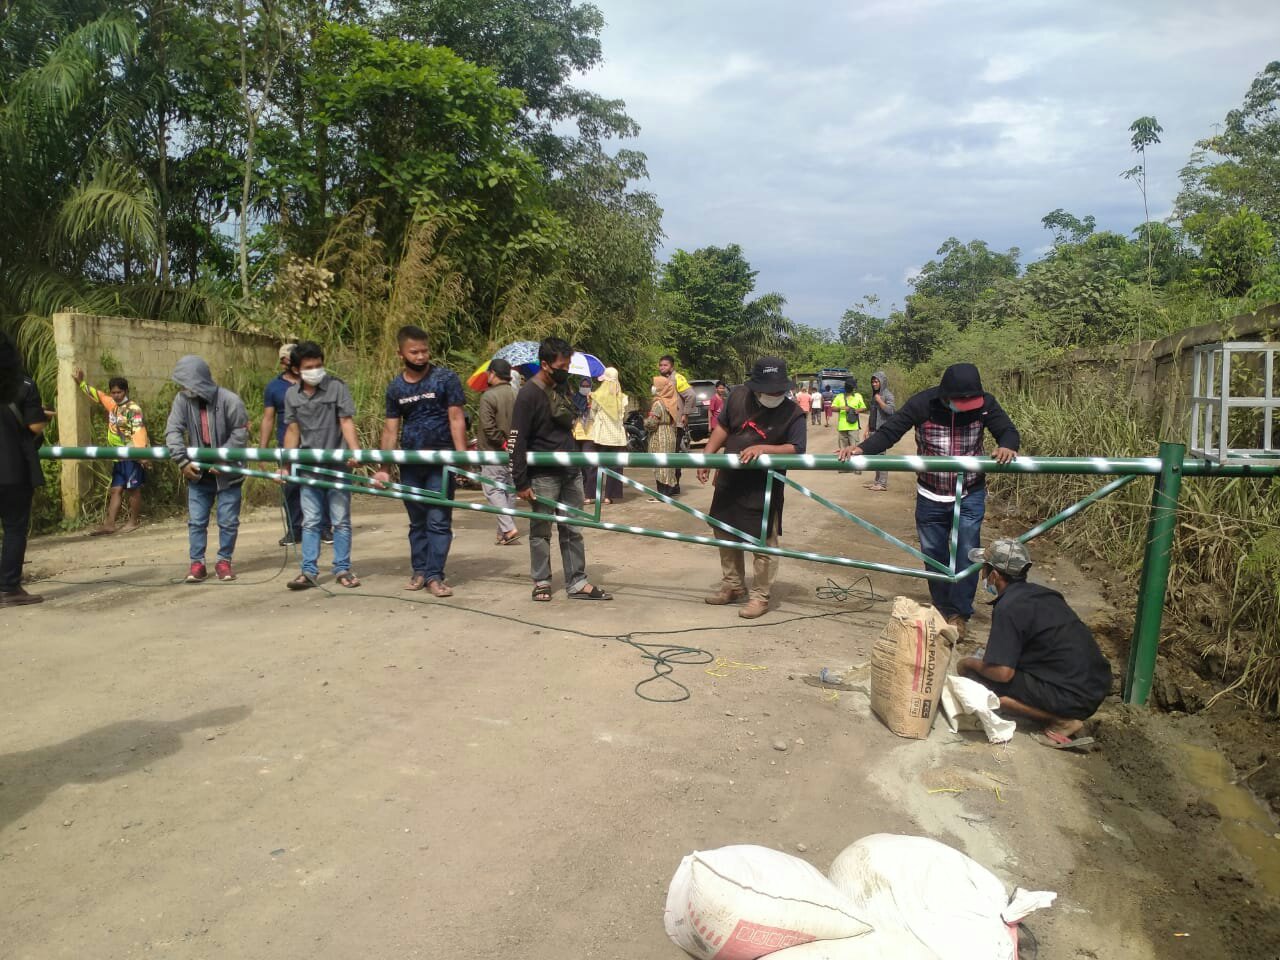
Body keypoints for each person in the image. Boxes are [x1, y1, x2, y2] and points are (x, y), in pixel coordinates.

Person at [838, 362, 1019, 638]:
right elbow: (890, 432)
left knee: (967, 553)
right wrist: (861, 449)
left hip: (969, 493)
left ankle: (959, 614)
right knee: (933, 555)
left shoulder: (985, 404)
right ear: (945, 396)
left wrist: (1007, 445)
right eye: (961, 402)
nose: (966, 407)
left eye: (971, 402)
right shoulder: (923, 403)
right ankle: (943, 609)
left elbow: (1007, 429)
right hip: (931, 493)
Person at [959, 539, 1111, 747]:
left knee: (978, 679)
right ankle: (1053, 710)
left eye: (984, 570)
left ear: (994, 575)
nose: (983, 576)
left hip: (1071, 697)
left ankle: (1061, 721)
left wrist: (968, 663)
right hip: (1095, 686)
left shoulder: (1008, 607)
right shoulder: (1044, 594)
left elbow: (1003, 673)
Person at [697, 357, 807, 619]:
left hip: (764, 485)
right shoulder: (737, 397)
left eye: (778, 390)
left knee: (763, 540)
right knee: (724, 531)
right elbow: (723, 427)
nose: (774, 395)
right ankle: (733, 585)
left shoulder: (793, 413)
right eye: (769, 390)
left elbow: (797, 448)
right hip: (730, 479)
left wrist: (764, 448)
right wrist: (707, 457)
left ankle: (760, 596)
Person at [509, 337, 612, 602]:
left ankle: (577, 581)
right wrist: (520, 481)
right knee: (540, 530)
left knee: (573, 528)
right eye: (562, 366)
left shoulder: (564, 388)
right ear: (545, 365)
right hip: (543, 475)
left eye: (568, 365)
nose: (566, 370)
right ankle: (541, 581)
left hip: (570, 470)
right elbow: (516, 440)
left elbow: (569, 420)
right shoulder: (528, 395)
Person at [371, 325, 467, 597]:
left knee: (438, 520)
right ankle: (420, 571)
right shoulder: (396, 387)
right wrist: (384, 468)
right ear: (400, 353)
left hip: (441, 462)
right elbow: (390, 430)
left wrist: (461, 458)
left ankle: (435, 576)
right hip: (410, 464)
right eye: (414, 352)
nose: (421, 356)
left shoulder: (445, 378)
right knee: (417, 522)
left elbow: (456, 418)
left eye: (425, 350)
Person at [278, 341, 361, 590]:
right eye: (309, 367)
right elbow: (293, 431)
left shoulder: (336, 387)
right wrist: (285, 465)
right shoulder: (291, 395)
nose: (315, 371)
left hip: (337, 466)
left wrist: (355, 451)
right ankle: (309, 571)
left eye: (318, 365)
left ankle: (342, 569)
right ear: (296, 369)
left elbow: (346, 421)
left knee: (340, 520)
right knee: (311, 521)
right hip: (308, 467)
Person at [165, 355, 249, 583]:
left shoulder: (230, 400)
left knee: (228, 521)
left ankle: (224, 561)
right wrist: (182, 461)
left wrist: (223, 459)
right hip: (198, 474)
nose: (184, 388)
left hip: (228, 474)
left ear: (199, 380)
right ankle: (197, 563)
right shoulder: (182, 400)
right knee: (196, 521)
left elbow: (240, 433)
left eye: (187, 383)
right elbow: (173, 430)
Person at [261, 343, 331, 547]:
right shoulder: (274, 387)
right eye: (287, 359)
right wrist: (263, 450)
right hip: (288, 444)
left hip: (315, 444)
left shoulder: (316, 383)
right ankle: (295, 529)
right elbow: (268, 418)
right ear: (284, 362)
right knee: (290, 488)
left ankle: (324, 528)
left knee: (321, 484)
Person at [0, 333, 47, 606]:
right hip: (13, 470)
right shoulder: (24, 384)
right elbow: (35, 426)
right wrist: (41, 415)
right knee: (14, 528)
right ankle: (8, 588)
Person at [72, 367, 148, 534]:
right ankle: (110, 524)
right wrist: (81, 383)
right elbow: (98, 395)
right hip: (117, 457)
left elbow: (139, 431)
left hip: (131, 454)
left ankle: (134, 522)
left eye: (119, 392)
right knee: (116, 490)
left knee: (133, 489)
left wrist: (141, 454)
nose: (116, 395)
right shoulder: (112, 404)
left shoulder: (133, 409)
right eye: (113, 392)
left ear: (126, 391)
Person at [477, 357, 521, 545]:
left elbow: (488, 426)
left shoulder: (488, 396)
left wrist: (502, 443)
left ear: (493, 374)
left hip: (493, 451)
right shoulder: (516, 395)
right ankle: (503, 532)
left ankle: (509, 528)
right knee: (509, 490)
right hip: (514, 450)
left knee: (493, 489)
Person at [585, 367, 628, 505]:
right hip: (617, 437)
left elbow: (592, 415)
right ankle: (609, 496)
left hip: (601, 435)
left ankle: (590, 495)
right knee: (614, 467)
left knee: (594, 465)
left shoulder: (598, 396)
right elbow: (623, 417)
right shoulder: (623, 398)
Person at [658, 354, 693, 492]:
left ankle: (674, 485)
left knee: (673, 454)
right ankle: (669, 485)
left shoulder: (677, 378)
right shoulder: (661, 380)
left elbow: (691, 395)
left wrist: (685, 414)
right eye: (661, 365)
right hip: (664, 424)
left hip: (675, 424)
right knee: (666, 454)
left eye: (665, 365)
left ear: (672, 367)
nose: (662, 367)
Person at [645, 375, 680, 500]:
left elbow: (652, 423)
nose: (653, 388)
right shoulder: (671, 402)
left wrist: (645, 423)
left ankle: (662, 494)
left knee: (659, 464)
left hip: (659, 435)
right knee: (668, 464)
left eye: (655, 385)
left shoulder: (658, 403)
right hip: (670, 434)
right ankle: (669, 490)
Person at [863, 371, 896, 492]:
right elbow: (872, 414)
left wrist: (880, 401)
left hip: (882, 431)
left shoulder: (888, 395)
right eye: (873, 382)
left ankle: (882, 483)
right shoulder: (875, 395)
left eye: (876, 381)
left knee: (881, 457)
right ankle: (877, 481)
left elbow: (891, 411)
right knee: (875, 457)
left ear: (882, 382)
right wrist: (867, 429)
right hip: (873, 430)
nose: (874, 384)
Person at [573, 377, 595, 504]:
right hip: (576, 434)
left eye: (587, 386)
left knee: (589, 465)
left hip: (589, 435)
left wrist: (590, 404)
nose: (585, 388)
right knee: (577, 466)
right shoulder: (575, 398)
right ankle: (578, 492)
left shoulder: (594, 398)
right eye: (583, 385)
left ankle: (589, 494)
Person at [831, 378, 867, 453]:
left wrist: (857, 410)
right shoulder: (839, 396)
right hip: (842, 428)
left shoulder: (858, 396)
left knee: (854, 451)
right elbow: (832, 408)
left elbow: (864, 407)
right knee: (843, 451)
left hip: (853, 427)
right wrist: (842, 408)